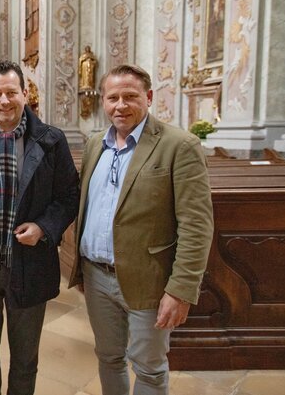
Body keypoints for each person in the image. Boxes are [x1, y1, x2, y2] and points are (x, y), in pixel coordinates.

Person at [68, 64, 213, 395]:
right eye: (113, 97)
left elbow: (197, 224)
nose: (121, 105)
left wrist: (180, 290)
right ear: (103, 101)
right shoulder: (94, 144)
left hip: (150, 279)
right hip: (97, 275)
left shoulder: (179, 145)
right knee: (108, 358)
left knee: (148, 367)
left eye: (130, 97)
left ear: (148, 97)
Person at [0, 61, 79, 395]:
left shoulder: (50, 140)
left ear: (25, 94)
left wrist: (43, 226)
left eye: (11, 92)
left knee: (25, 359)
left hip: (28, 263)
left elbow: (70, 195)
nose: (4, 101)